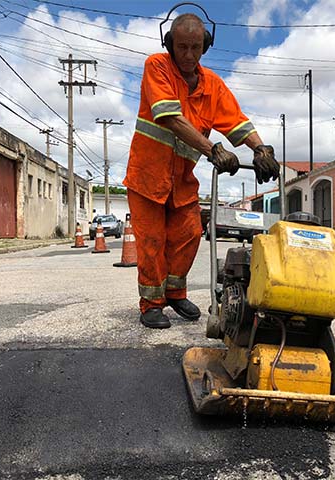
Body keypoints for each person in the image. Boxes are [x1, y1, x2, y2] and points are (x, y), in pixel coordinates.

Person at [123, 12, 279, 329]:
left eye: (196, 47)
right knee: (152, 243)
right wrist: (214, 150)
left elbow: (236, 122)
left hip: (181, 181)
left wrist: (260, 148)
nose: (189, 55)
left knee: (190, 235)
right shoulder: (157, 67)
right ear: (169, 45)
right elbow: (168, 117)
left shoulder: (213, 86)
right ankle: (152, 304)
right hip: (148, 177)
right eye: (182, 47)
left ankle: (175, 293)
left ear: (206, 46)